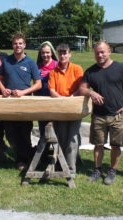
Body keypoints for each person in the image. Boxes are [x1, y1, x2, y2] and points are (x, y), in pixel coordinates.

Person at [79, 41, 123, 185]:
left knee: (116, 145)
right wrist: (91, 92)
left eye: (103, 52)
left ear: (109, 51)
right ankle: (97, 170)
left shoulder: (121, 68)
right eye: (97, 53)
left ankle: (112, 171)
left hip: (117, 115)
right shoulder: (90, 71)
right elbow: (82, 89)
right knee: (98, 145)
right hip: (99, 116)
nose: (100, 55)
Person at [0, 32, 41, 171]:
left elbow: (38, 84)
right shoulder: (6, 61)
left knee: (24, 132)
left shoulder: (30, 62)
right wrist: (3, 89)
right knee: (10, 132)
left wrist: (23, 92)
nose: (18, 46)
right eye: (15, 43)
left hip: (24, 102)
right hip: (9, 102)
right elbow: (0, 79)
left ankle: (23, 160)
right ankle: (27, 155)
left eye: (20, 43)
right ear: (12, 45)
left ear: (24, 45)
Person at [48, 43, 84, 176]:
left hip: (74, 107)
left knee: (72, 138)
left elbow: (82, 87)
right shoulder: (53, 71)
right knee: (61, 137)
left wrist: (71, 97)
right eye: (60, 53)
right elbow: (51, 90)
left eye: (65, 53)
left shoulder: (77, 68)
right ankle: (60, 164)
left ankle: (71, 169)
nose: (63, 56)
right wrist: (62, 100)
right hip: (60, 108)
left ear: (70, 54)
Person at [35, 41, 58, 136]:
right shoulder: (37, 66)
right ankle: (44, 148)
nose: (45, 55)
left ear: (52, 52)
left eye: (47, 52)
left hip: (54, 99)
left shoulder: (57, 65)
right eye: (43, 53)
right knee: (42, 124)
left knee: (55, 125)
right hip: (40, 99)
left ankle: (56, 147)